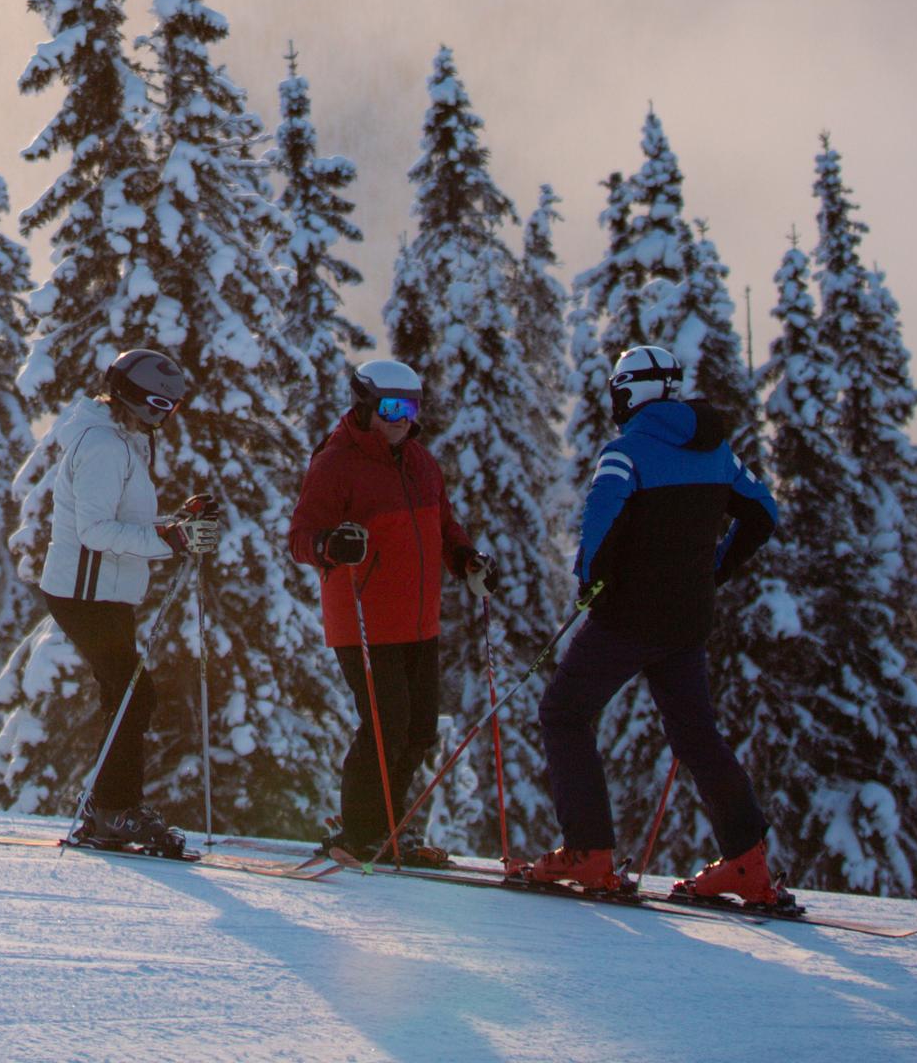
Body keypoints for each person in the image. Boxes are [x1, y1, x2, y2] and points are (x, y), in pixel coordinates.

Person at [510, 343, 787, 908]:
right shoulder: (718, 452)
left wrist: (590, 582)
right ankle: (747, 864)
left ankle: (589, 854)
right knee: (695, 734)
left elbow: (599, 533)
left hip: (628, 618)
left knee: (564, 713)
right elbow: (764, 515)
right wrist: (715, 570)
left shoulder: (626, 452)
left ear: (628, 393)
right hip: (687, 620)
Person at [287, 354, 479, 864]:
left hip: (419, 622)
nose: (402, 419)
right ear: (366, 405)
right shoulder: (335, 463)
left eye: (412, 408)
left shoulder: (421, 463)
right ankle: (359, 832)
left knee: (419, 729)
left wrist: (463, 558)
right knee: (384, 725)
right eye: (392, 407)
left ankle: (391, 828)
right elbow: (300, 537)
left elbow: (443, 526)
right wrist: (330, 544)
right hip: (364, 622)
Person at [32, 344, 200, 859]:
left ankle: (110, 808)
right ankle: (113, 810)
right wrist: (169, 541)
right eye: (157, 404)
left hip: (103, 590)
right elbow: (96, 530)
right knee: (133, 695)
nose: (163, 416)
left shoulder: (123, 438)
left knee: (125, 695)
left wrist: (173, 524)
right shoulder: (105, 445)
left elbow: (120, 518)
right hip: (85, 592)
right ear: (128, 395)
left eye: (170, 407)